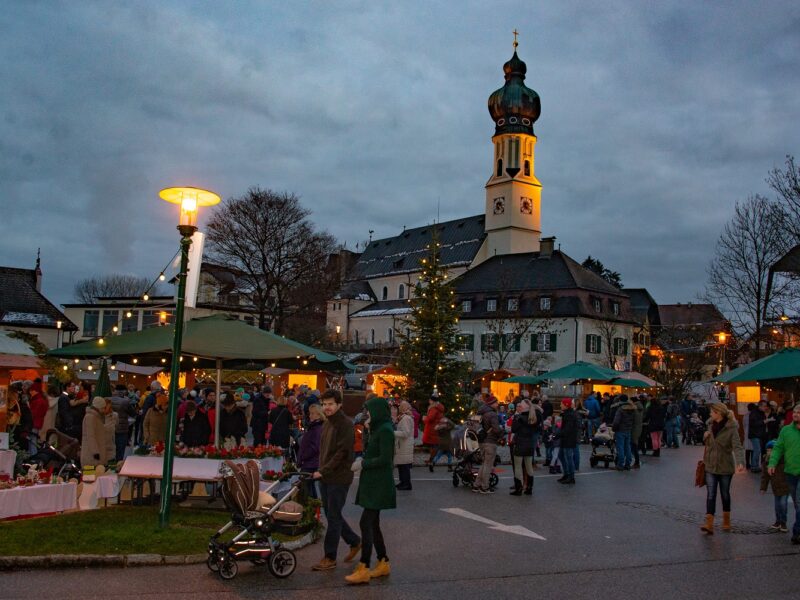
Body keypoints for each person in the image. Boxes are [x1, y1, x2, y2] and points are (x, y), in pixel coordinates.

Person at [345, 395, 396, 585]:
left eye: (369, 411)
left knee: (365, 523)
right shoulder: (378, 429)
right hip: (374, 482)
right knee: (373, 524)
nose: (366, 414)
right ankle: (383, 562)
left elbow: (385, 459)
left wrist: (363, 463)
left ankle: (364, 566)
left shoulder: (385, 431)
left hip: (379, 484)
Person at [311, 389, 361, 572]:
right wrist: (320, 469)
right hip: (325, 475)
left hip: (338, 477)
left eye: (330, 404)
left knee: (333, 517)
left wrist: (323, 470)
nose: (327, 407)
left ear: (339, 404)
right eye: (324, 404)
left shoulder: (346, 424)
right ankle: (355, 541)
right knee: (333, 514)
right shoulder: (327, 423)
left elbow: (342, 453)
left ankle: (329, 557)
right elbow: (325, 451)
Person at [700, 402, 745, 535]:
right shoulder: (709, 425)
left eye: (712, 412)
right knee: (711, 494)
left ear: (718, 413)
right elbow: (708, 444)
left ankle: (726, 520)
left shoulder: (731, 428)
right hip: (710, 464)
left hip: (725, 465)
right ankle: (709, 523)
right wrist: (705, 437)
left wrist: (740, 462)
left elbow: (737, 446)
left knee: (725, 494)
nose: (710, 414)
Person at [767, 404, 800, 544]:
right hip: (790, 472)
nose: (796, 414)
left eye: (799, 412)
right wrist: (772, 463)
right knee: (798, 504)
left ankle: (797, 531)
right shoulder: (786, 430)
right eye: (795, 412)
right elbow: (778, 448)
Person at [473, 396, 502, 494]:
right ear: (491, 403)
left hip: (481, 441)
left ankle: (476, 485)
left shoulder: (480, 412)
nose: (497, 404)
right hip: (490, 441)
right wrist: (503, 432)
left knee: (483, 464)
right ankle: (484, 487)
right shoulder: (492, 414)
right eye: (496, 403)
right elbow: (496, 429)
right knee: (488, 465)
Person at [761, 440, 789, 533]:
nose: (769, 452)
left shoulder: (784, 460)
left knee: (783, 504)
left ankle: (783, 522)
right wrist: (763, 488)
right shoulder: (766, 461)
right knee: (777, 506)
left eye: (771, 450)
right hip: (775, 487)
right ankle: (778, 521)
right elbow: (765, 476)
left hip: (785, 486)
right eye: (768, 450)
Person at [298, 403, 325, 499]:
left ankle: (311, 508)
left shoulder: (317, 428)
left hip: (311, 462)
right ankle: (313, 508)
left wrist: (303, 456)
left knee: (305, 486)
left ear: (319, 415)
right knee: (308, 486)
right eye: (310, 413)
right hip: (311, 461)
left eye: (313, 413)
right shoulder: (315, 426)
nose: (310, 415)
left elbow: (315, 447)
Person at [510, 399, 536, 496]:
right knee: (529, 466)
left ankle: (519, 488)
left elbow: (513, 429)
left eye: (520, 405)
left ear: (524, 407)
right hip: (529, 444)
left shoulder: (518, 417)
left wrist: (516, 417)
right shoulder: (533, 417)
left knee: (518, 467)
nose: (519, 406)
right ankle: (529, 488)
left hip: (520, 443)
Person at [80, 397, 109, 467]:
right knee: (90, 477)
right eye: (103, 408)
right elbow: (90, 436)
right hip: (91, 456)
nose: (104, 410)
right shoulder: (90, 417)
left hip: (95, 454)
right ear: (98, 407)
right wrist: (95, 452)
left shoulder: (96, 417)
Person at [110, 385, 136, 461]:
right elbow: (133, 413)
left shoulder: (108, 399)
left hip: (110, 428)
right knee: (120, 450)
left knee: (111, 449)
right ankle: (118, 466)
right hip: (122, 429)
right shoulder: (125, 401)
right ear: (123, 391)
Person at [393, 400, 415, 490]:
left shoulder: (406, 418)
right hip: (403, 445)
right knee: (402, 465)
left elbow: (405, 433)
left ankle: (406, 484)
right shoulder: (405, 417)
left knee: (404, 466)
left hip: (404, 445)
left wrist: (393, 433)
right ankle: (403, 482)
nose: (399, 407)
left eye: (401, 406)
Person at [612, 395, 635, 471]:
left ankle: (620, 464)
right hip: (628, 429)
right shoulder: (632, 409)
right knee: (627, 447)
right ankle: (628, 464)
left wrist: (614, 429)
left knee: (620, 447)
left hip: (620, 430)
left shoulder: (620, 409)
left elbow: (616, 421)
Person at [558, 399, 579, 484]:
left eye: (561, 404)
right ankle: (567, 474)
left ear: (566, 405)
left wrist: (558, 434)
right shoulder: (567, 414)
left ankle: (571, 476)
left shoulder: (570, 415)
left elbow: (568, 429)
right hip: (566, 439)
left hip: (569, 440)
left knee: (568, 458)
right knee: (562, 456)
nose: (560, 405)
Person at [422, 395, 444, 467]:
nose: (429, 401)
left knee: (433, 445)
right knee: (434, 445)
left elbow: (430, 418)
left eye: (430, 400)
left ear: (432, 401)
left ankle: (431, 460)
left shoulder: (433, 408)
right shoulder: (438, 407)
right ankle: (431, 459)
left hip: (432, 428)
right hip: (435, 428)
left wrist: (425, 418)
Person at [748, 400, 767, 472]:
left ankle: (755, 466)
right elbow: (753, 423)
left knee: (757, 450)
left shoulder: (760, 412)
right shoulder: (754, 412)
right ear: (760, 406)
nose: (765, 408)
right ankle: (754, 466)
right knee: (757, 450)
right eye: (764, 406)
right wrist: (763, 421)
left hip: (758, 434)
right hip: (754, 434)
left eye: (766, 406)